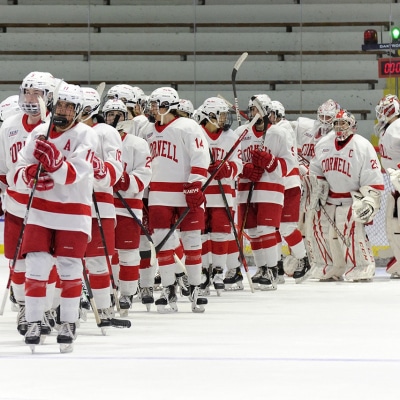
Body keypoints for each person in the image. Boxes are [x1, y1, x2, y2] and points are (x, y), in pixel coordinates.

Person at [14, 82, 98, 352]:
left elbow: (72, 175)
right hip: (40, 210)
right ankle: (35, 321)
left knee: (70, 268)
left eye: (69, 106)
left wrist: (54, 162)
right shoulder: (40, 131)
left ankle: (69, 322)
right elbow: (18, 170)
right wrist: (28, 177)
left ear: (79, 110)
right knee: (36, 265)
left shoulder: (87, 135)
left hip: (73, 212)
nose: (63, 110)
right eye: (60, 104)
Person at [0, 72, 58, 337]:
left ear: (50, 97)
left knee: (49, 260)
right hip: (16, 204)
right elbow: (3, 169)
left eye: (37, 93)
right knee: (18, 261)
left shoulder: (57, 126)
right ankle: (25, 306)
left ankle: (46, 307)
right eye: (27, 92)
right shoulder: (9, 125)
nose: (30, 99)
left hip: (49, 206)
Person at [145, 87, 210, 313]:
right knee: (162, 243)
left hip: (186, 193)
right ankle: (168, 288)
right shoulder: (147, 130)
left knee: (192, 242)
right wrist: (144, 197)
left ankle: (195, 288)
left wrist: (194, 183)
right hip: (158, 195)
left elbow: (201, 155)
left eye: (156, 105)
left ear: (168, 106)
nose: (152, 109)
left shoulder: (188, 126)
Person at [309, 109, 384, 281]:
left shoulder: (363, 146)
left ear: (352, 126)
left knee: (353, 235)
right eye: (336, 123)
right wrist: (316, 189)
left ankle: (362, 267)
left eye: (343, 123)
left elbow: (372, 176)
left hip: (352, 198)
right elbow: (316, 170)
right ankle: (329, 267)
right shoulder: (324, 144)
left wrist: (369, 200)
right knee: (323, 233)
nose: (339, 127)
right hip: (329, 198)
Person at [236, 94, 294, 290]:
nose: (256, 113)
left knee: (266, 229)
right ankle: (261, 268)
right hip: (245, 189)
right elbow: (233, 161)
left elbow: (289, 164)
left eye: (260, 110)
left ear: (268, 112)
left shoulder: (278, 133)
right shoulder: (241, 132)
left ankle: (272, 270)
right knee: (252, 231)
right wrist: (245, 168)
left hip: (270, 189)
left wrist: (270, 162)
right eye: (253, 109)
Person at [79, 87, 125, 326]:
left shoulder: (105, 132)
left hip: (100, 205)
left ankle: (104, 308)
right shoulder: (66, 131)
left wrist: (95, 167)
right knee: (69, 260)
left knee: (97, 260)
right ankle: (71, 306)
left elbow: (113, 174)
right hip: (71, 205)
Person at [103, 98, 152, 314]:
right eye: (109, 114)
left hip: (128, 207)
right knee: (105, 253)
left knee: (129, 253)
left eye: (118, 115)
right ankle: (109, 291)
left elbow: (145, 173)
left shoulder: (137, 143)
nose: (113, 119)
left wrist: (126, 182)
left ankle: (127, 293)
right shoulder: (99, 139)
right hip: (104, 207)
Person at [197, 97, 242, 295]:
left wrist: (227, 169)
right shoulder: (197, 134)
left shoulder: (231, 136)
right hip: (203, 191)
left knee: (221, 233)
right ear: (210, 116)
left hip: (225, 192)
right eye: (221, 115)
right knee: (202, 233)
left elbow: (238, 163)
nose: (225, 119)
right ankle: (204, 270)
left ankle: (218, 271)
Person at [292, 99, 341, 279]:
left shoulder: (338, 136)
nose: (325, 121)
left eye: (329, 117)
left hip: (326, 189)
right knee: (300, 225)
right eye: (322, 116)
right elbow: (284, 130)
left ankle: (332, 263)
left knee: (324, 227)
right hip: (304, 187)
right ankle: (304, 260)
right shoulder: (306, 128)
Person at [267, 100, 311, 283]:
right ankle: (276, 266)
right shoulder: (276, 128)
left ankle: (304, 260)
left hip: (289, 184)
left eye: (269, 114)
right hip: (276, 183)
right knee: (272, 227)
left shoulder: (281, 129)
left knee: (286, 227)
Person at [376, 94, 400, 278]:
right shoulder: (389, 128)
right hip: (395, 185)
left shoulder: (397, 127)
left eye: (384, 109)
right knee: (392, 226)